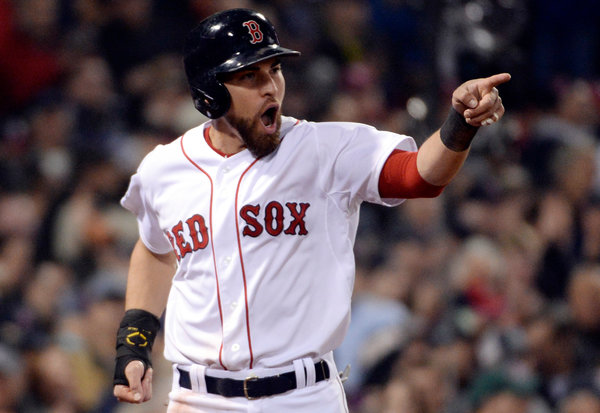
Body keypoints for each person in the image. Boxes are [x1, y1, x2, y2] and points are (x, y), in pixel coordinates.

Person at [112, 8, 509, 413]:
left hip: (301, 398)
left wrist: (460, 124)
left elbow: (418, 176)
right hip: (197, 399)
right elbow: (155, 250)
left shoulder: (325, 149)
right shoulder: (164, 169)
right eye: (250, 76)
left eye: (274, 70)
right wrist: (134, 343)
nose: (271, 88)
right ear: (209, 91)